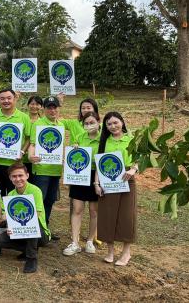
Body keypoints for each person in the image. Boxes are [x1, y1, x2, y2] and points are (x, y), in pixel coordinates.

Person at [96, 112, 138, 266]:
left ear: (122, 122)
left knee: (127, 216)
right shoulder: (104, 141)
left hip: (127, 179)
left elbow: (139, 158)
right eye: (109, 124)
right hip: (108, 181)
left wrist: (133, 169)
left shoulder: (131, 138)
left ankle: (126, 253)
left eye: (115, 122)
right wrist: (96, 184)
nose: (113, 126)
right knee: (108, 215)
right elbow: (99, 163)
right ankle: (110, 252)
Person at [0, 163, 51, 273]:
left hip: (40, 233)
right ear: (10, 178)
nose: (18, 179)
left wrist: (15, 225)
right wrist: (1, 223)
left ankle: (31, 258)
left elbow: (36, 215)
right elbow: (7, 216)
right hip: (20, 230)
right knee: (0, 240)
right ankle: (29, 249)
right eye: (14, 176)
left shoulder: (35, 190)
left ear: (27, 176)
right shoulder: (10, 194)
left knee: (33, 222)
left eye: (20, 175)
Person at [27, 96, 74, 231]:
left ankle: (44, 229)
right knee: (39, 201)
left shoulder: (61, 125)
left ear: (58, 109)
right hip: (41, 170)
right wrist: (30, 156)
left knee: (50, 200)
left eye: (55, 107)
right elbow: (33, 144)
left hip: (56, 169)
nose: (52, 110)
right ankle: (35, 230)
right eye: (49, 108)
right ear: (44, 109)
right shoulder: (38, 124)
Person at [63, 111, 100, 256]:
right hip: (79, 175)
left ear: (98, 122)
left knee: (94, 211)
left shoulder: (103, 139)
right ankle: (75, 242)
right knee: (77, 209)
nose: (89, 125)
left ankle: (90, 241)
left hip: (96, 176)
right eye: (86, 123)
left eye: (92, 122)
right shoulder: (79, 137)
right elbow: (73, 156)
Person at [0, 88, 31, 196]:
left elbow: (28, 138)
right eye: (2, 98)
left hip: (15, 164)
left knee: (13, 195)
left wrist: (22, 152)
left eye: (9, 98)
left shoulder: (24, 117)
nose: (6, 101)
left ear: (15, 99)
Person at [23, 95, 44, 179]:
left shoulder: (43, 122)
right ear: (28, 105)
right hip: (21, 158)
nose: (34, 106)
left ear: (42, 107)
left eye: (37, 104)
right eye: (32, 104)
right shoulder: (22, 119)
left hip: (36, 159)